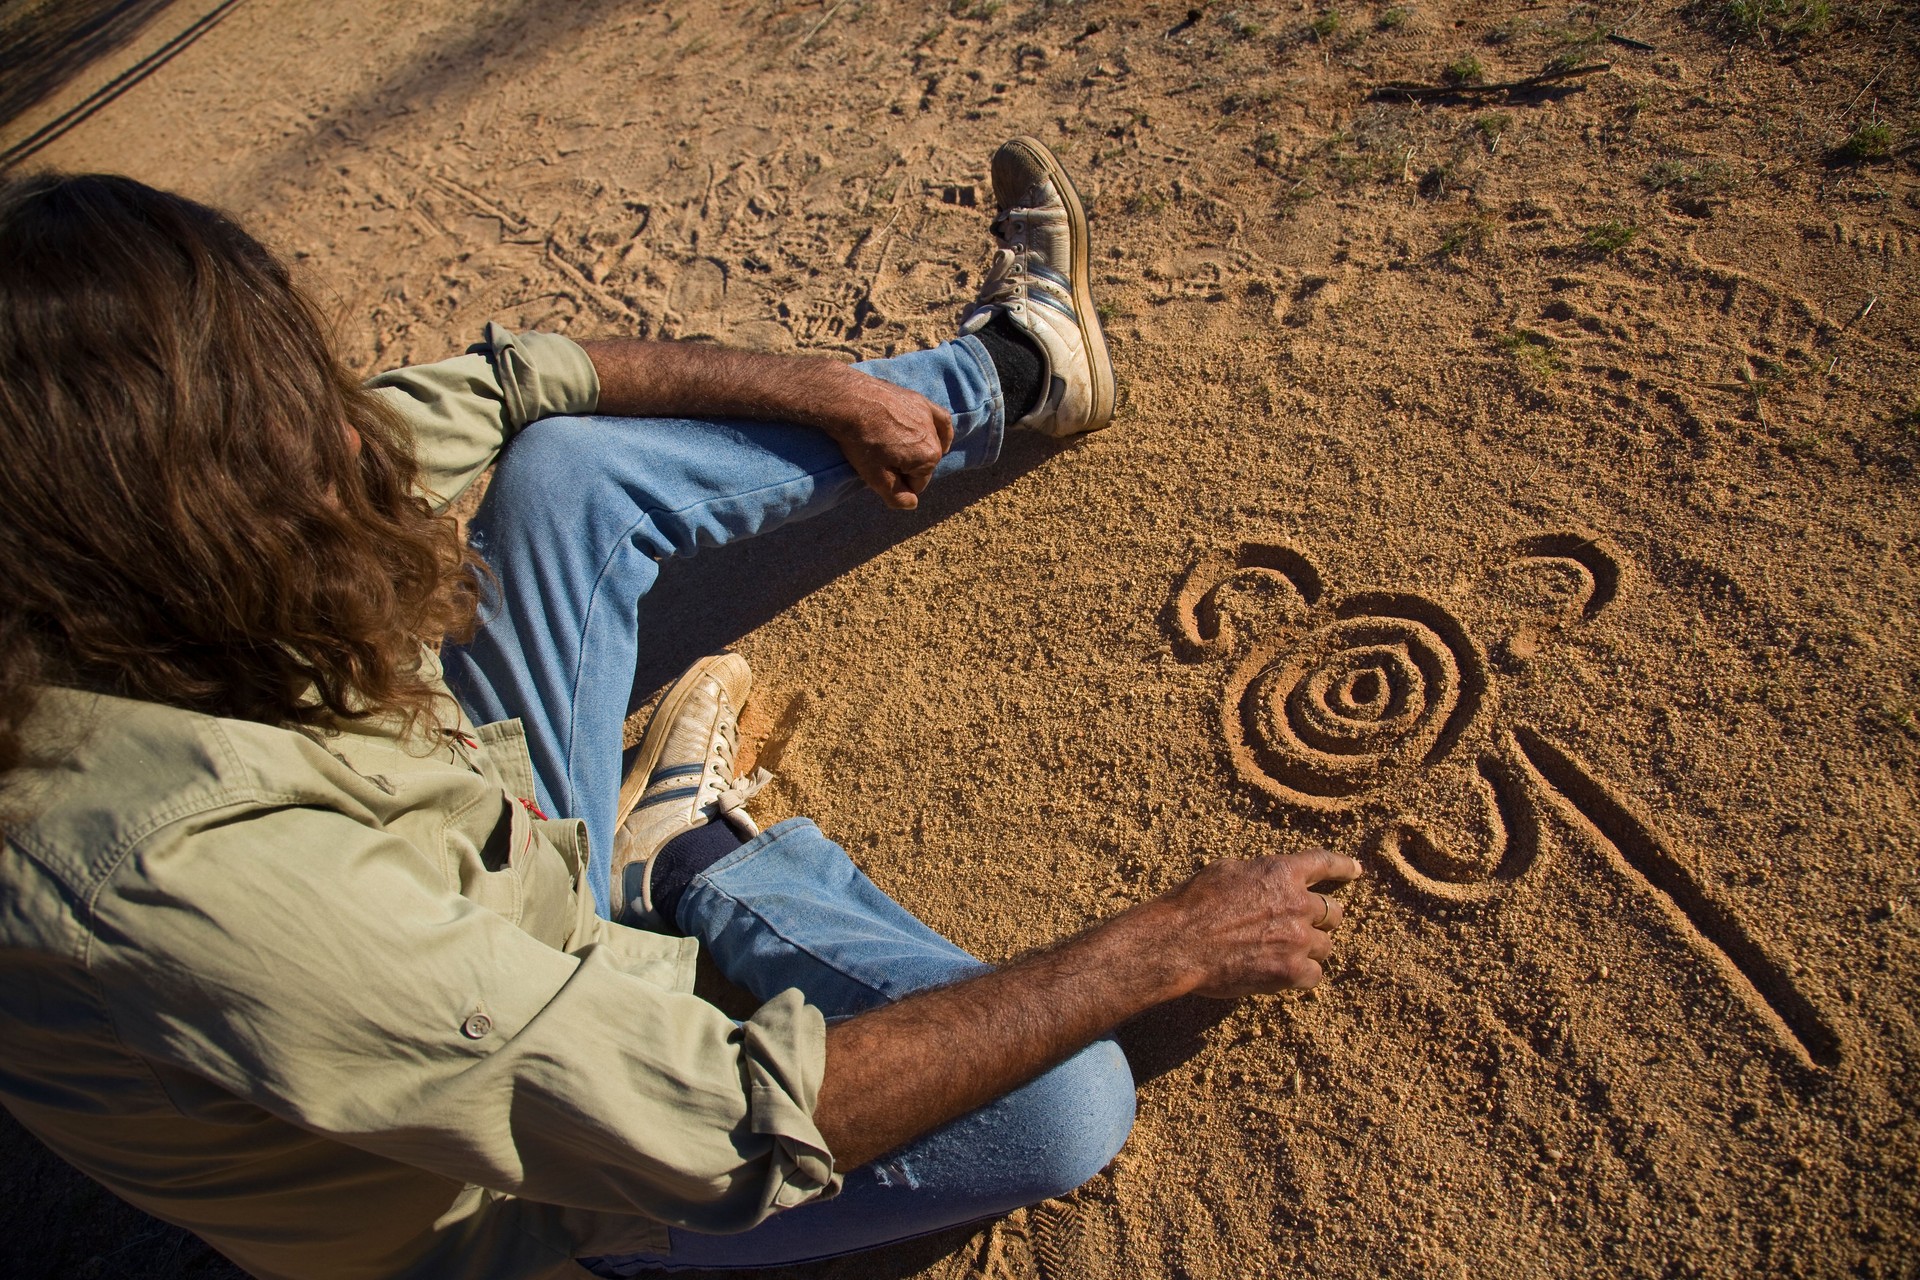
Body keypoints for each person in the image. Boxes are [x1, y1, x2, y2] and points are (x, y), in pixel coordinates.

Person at [0, 137, 1359, 1279]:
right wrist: (1154, 949)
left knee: (573, 475)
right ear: (166, 506)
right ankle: (696, 861)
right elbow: (709, 1125)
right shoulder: (177, 879)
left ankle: (1020, 366)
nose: (356, 438)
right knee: (1065, 1100)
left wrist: (828, 390)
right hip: (514, 1195)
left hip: (481, 848)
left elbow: (525, 382)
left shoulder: (115, 559)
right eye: (286, 414)